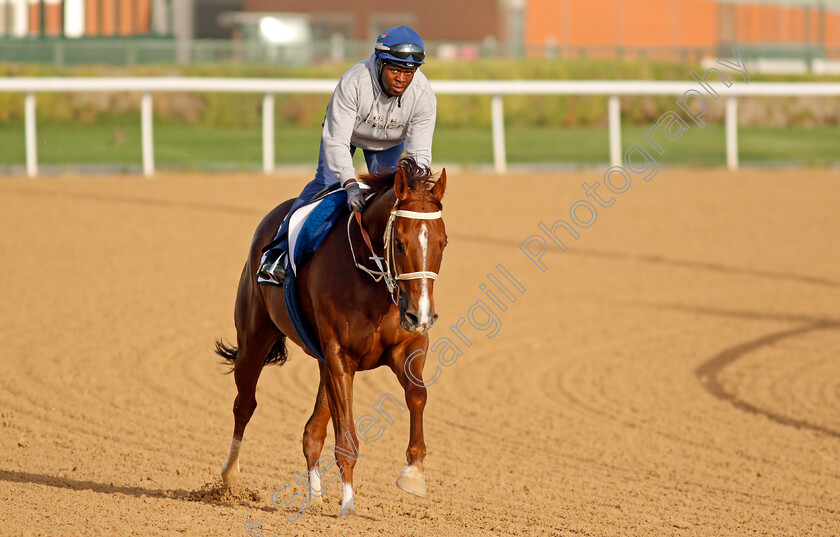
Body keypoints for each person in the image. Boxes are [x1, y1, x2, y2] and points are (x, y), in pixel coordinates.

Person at [257, 25, 437, 285]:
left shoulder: (423, 95)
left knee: (397, 197)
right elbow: (336, 141)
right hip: (346, 137)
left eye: (408, 72)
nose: (401, 79)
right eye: (395, 70)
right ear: (379, 63)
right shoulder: (354, 82)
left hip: (389, 143)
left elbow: (419, 155)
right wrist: (350, 183)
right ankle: (279, 252)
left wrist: (417, 191)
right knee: (328, 187)